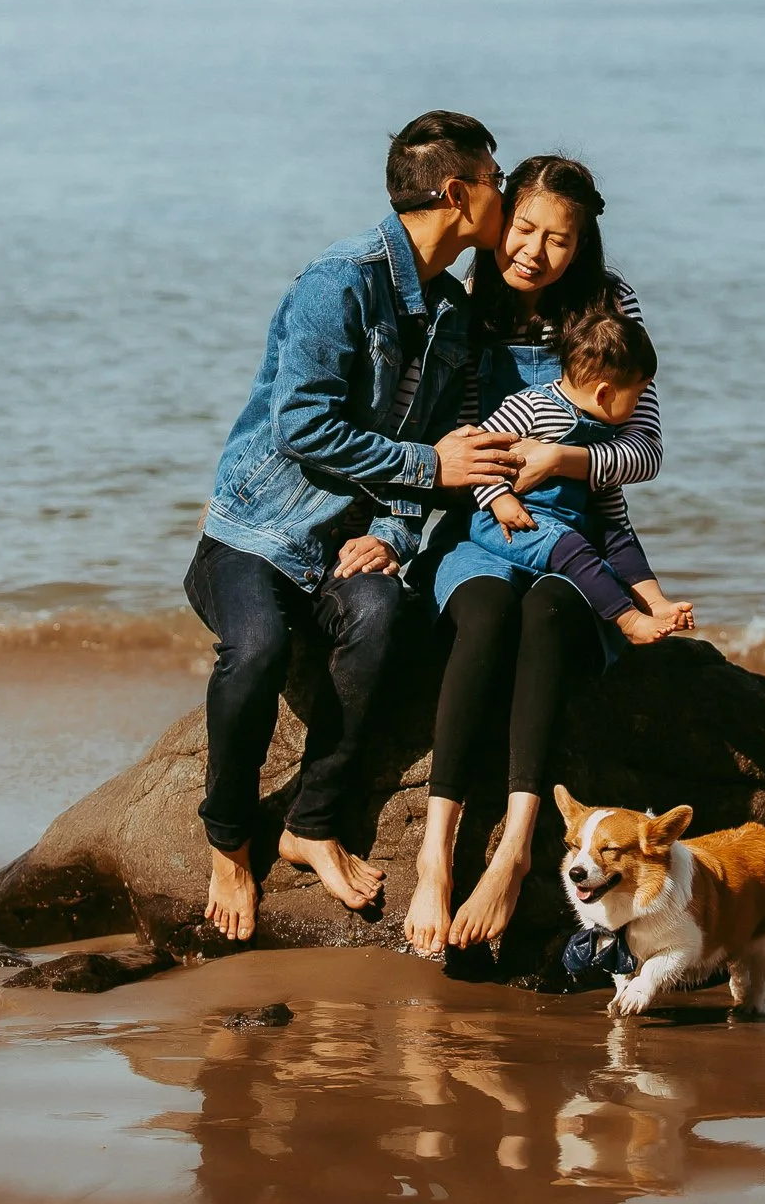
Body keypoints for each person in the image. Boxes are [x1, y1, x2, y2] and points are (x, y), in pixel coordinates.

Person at [185, 111, 521, 942]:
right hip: (256, 533)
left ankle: (310, 824)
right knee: (256, 650)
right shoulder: (338, 282)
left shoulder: (451, 311)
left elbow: (450, 461)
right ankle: (228, 837)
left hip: (354, 541)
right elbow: (304, 427)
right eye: (496, 179)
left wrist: (399, 535)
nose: (505, 196)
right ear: (456, 192)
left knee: (381, 619)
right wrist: (426, 469)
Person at [403, 153, 669, 959]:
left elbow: (645, 447)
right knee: (485, 617)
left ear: (581, 241)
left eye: (558, 239)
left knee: (551, 611)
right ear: (499, 218)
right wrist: (492, 491)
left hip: (570, 530)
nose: (533, 251)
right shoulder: (462, 296)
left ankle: (519, 846)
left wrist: (566, 463)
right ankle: (433, 852)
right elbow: (458, 436)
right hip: (484, 522)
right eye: (522, 228)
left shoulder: (609, 303)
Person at [468, 307, 693, 643]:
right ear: (603, 393)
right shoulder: (530, 406)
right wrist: (499, 498)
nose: (640, 404)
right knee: (574, 547)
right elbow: (479, 453)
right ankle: (627, 619)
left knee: (617, 538)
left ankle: (655, 603)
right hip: (514, 523)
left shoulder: (602, 426)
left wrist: (617, 529)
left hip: (571, 516)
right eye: (638, 395)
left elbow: (605, 492)